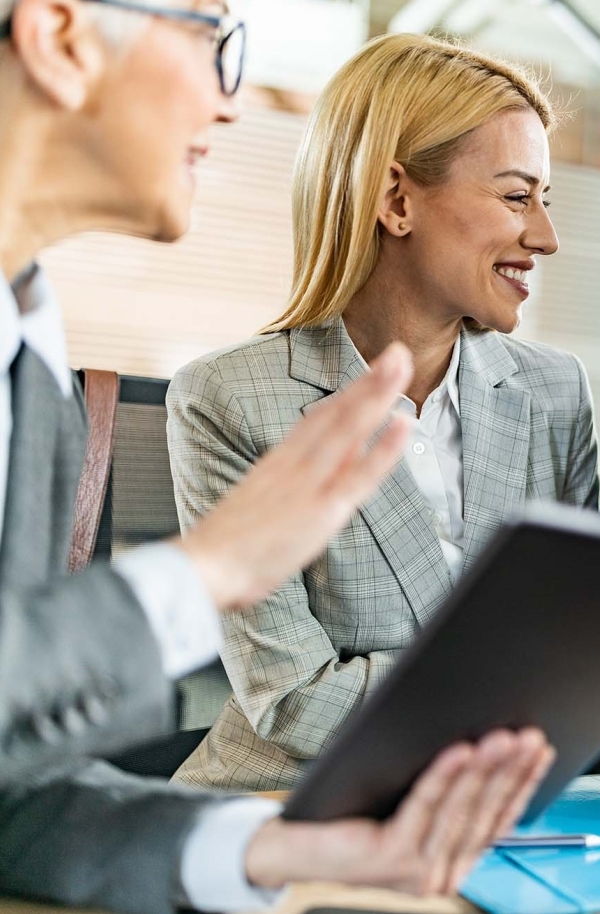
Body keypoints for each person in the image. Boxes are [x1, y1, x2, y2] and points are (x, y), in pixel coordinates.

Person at [0, 2, 551, 911]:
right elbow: (287, 697)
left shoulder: (33, 375)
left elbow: (13, 800)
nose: (231, 103)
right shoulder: (200, 395)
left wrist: (280, 851)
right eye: (212, 39)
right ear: (61, 39)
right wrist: (204, 572)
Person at [165, 33, 597, 792]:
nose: (545, 236)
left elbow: (577, 653)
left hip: (495, 811)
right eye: (515, 195)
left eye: (545, 199)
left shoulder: (556, 393)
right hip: (279, 805)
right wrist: (510, 693)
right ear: (397, 200)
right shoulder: (229, 400)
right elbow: (294, 700)